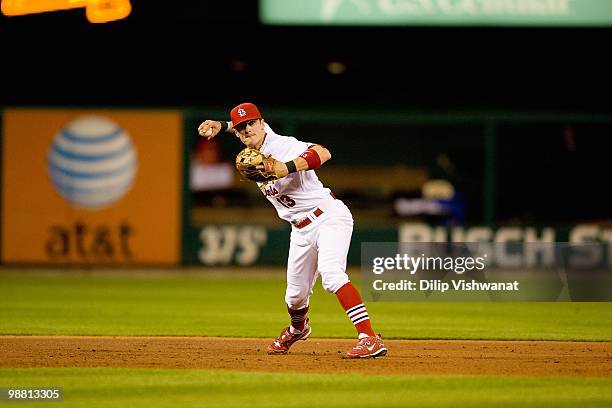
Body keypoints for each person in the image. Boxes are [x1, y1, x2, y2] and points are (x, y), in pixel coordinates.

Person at [197, 102, 387, 359]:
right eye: (241, 128)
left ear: (262, 123)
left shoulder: (283, 145)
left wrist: (284, 167)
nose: (246, 130)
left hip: (328, 217)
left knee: (332, 275)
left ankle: (369, 338)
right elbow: (240, 127)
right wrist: (222, 126)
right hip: (299, 230)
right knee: (295, 298)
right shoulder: (251, 140)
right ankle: (298, 328)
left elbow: (323, 153)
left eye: (251, 123)